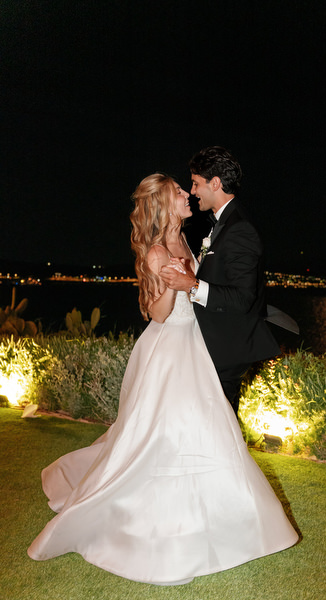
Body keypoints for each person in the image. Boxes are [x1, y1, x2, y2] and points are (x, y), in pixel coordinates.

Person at [27, 173, 298, 585]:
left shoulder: (188, 241)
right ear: (163, 203)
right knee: (163, 435)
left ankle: (228, 519)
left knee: (208, 428)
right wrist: (173, 284)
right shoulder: (155, 251)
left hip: (195, 343)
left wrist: (193, 282)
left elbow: (199, 288)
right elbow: (157, 313)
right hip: (169, 348)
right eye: (178, 192)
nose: (187, 195)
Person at [160, 146, 280, 414]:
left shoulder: (240, 229)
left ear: (214, 183)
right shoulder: (224, 223)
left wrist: (191, 285)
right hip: (213, 345)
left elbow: (242, 298)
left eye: (195, 183)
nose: (192, 192)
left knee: (218, 425)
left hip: (227, 348)